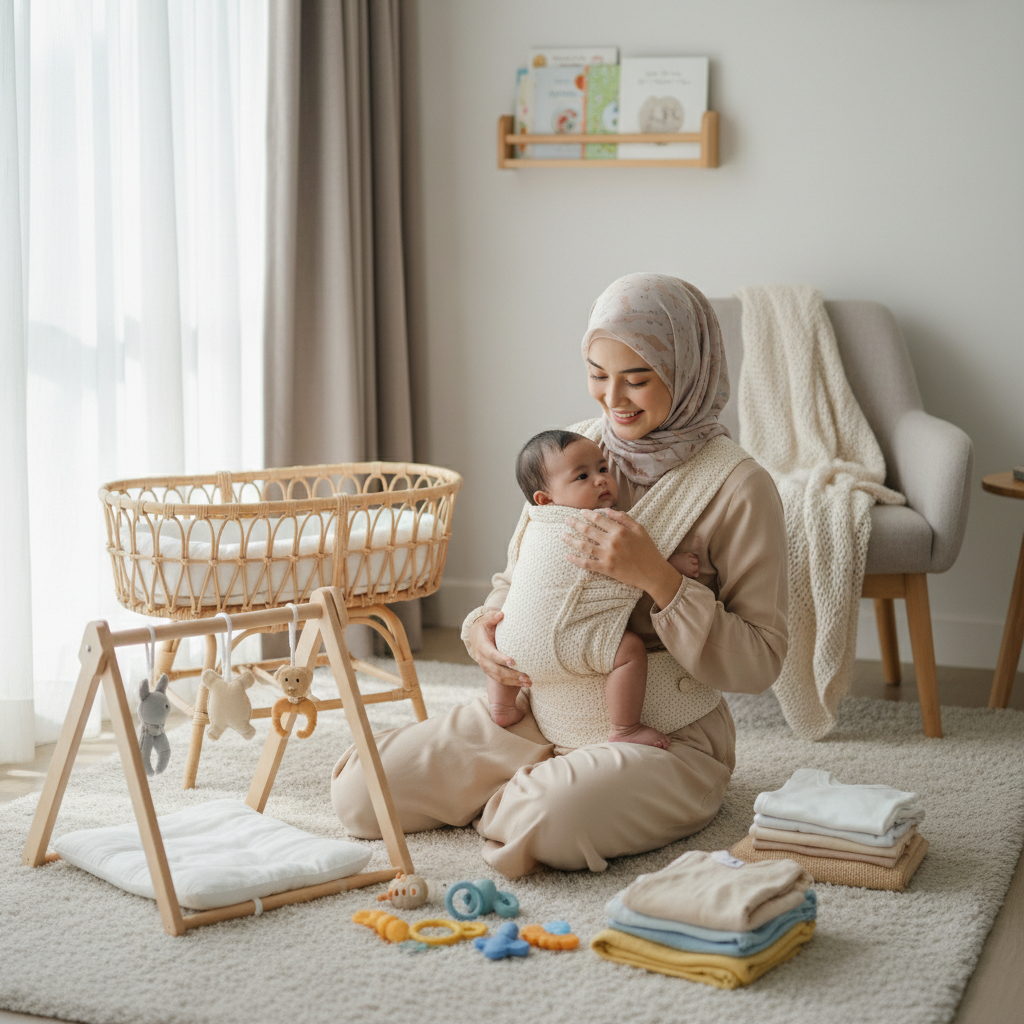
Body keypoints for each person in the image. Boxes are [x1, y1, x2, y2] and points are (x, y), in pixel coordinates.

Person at [331, 273, 788, 879]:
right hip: (536, 708)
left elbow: (761, 661)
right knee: (360, 797)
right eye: (599, 374)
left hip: (661, 733)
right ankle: (533, 785)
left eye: (639, 378)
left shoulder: (739, 487)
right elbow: (516, 581)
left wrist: (659, 579)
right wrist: (481, 633)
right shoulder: (575, 453)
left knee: (543, 823)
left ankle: (543, 795)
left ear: (689, 370)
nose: (614, 399)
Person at [486, 428, 699, 750]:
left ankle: (502, 706)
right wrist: (672, 566)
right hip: (566, 642)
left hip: (511, 644)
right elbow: (626, 565)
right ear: (546, 500)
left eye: (602, 469)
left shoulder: (533, 526)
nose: (600, 480)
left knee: (507, 631)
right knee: (629, 651)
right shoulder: (598, 522)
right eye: (582, 476)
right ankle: (625, 727)